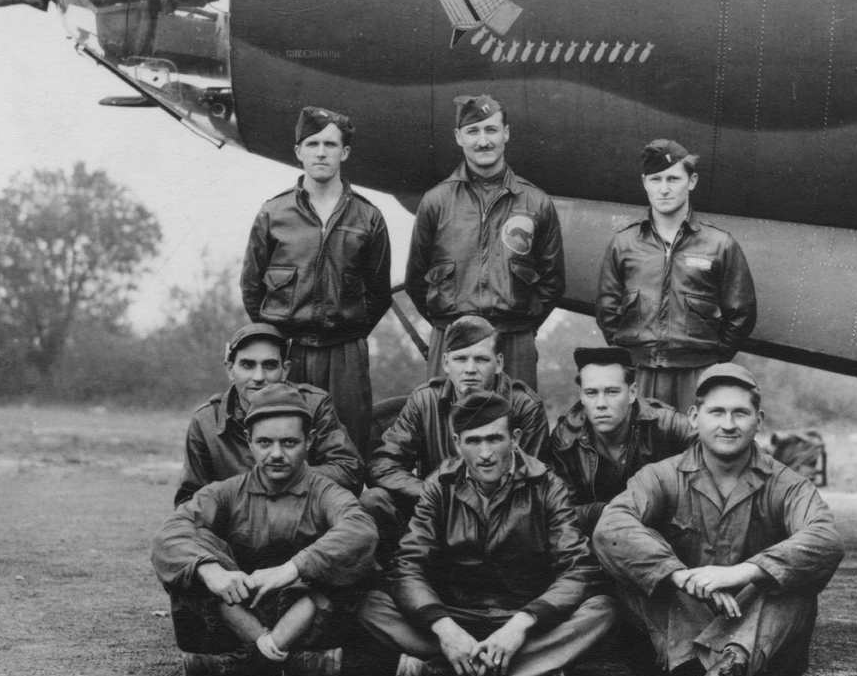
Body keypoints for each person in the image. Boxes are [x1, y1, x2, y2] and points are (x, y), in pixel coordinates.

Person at [593, 364, 844, 676]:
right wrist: (680, 576)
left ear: (759, 420)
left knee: (796, 578)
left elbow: (826, 538)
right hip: (676, 642)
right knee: (636, 562)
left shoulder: (786, 484)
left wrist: (743, 573)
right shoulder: (661, 476)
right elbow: (610, 527)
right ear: (695, 418)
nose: (728, 424)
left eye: (740, 413)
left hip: (758, 631)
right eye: (717, 412)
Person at [357, 391, 617, 676]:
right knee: (371, 605)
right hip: (456, 613)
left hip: (523, 618)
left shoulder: (547, 485)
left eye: (495, 439)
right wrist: (445, 629)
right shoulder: (440, 485)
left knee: (603, 609)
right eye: (473, 441)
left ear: (515, 438)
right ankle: (531, 675)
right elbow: (408, 565)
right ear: (456, 442)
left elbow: (577, 568)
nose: (485, 454)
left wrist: (521, 624)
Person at [152, 385, 379, 676]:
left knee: (349, 554)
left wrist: (293, 568)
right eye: (264, 442)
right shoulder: (228, 491)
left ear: (309, 441)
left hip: (308, 621)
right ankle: (288, 660)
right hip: (237, 617)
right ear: (249, 443)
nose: (276, 454)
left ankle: (247, 664)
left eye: (289, 443)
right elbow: (170, 533)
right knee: (196, 543)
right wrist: (211, 570)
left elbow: (360, 529)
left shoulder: (326, 491)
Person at [242, 106, 392, 456]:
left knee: (347, 446)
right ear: (298, 152)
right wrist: (275, 340)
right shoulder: (273, 214)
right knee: (284, 443)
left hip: (345, 354)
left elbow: (379, 294)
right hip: (289, 349)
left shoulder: (368, 217)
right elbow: (252, 289)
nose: (321, 152)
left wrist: (347, 332)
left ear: (345, 152)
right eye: (312, 144)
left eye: (330, 144)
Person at [405, 94, 564, 389]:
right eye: (473, 131)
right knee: (447, 427)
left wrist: (520, 326)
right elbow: (416, 280)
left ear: (506, 133)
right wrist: (452, 328)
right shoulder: (436, 202)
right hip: (453, 341)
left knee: (519, 423)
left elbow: (552, 282)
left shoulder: (536, 202)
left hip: (513, 340)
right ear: (458, 137)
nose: (483, 141)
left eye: (491, 130)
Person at [360, 315, 549, 563]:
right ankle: (401, 573)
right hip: (435, 511)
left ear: (499, 362)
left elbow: (532, 481)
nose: (470, 369)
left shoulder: (525, 405)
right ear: (446, 363)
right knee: (373, 500)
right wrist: (432, 493)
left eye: (481, 359)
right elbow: (383, 464)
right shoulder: (424, 400)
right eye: (460, 359)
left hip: (501, 517)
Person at [596, 139, 757, 412]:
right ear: (645, 183)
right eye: (655, 179)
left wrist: (711, 359)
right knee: (642, 450)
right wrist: (632, 354)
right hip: (640, 371)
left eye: (673, 178)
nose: (664, 189)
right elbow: (607, 310)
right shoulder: (623, 244)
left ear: (691, 181)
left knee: (694, 448)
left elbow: (741, 313)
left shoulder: (720, 244)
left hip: (697, 372)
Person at [175, 322, 363, 507]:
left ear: (285, 370)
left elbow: (348, 471)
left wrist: (285, 479)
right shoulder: (206, 419)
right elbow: (189, 498)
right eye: (247, 365)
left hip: (302, 516)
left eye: (270, 365)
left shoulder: (315, 404)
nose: (258, 377)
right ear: (230, 369)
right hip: (237, 525)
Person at [549, 346, 695, 535]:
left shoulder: (667, 424)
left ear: (632, 392)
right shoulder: (565, 439)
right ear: (581, 395)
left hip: (664, 534)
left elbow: (712, 454)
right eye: (591, 393)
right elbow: (562, 513)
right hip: (597, 537)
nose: (601, 404)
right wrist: (611, 513)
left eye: (611, 392)